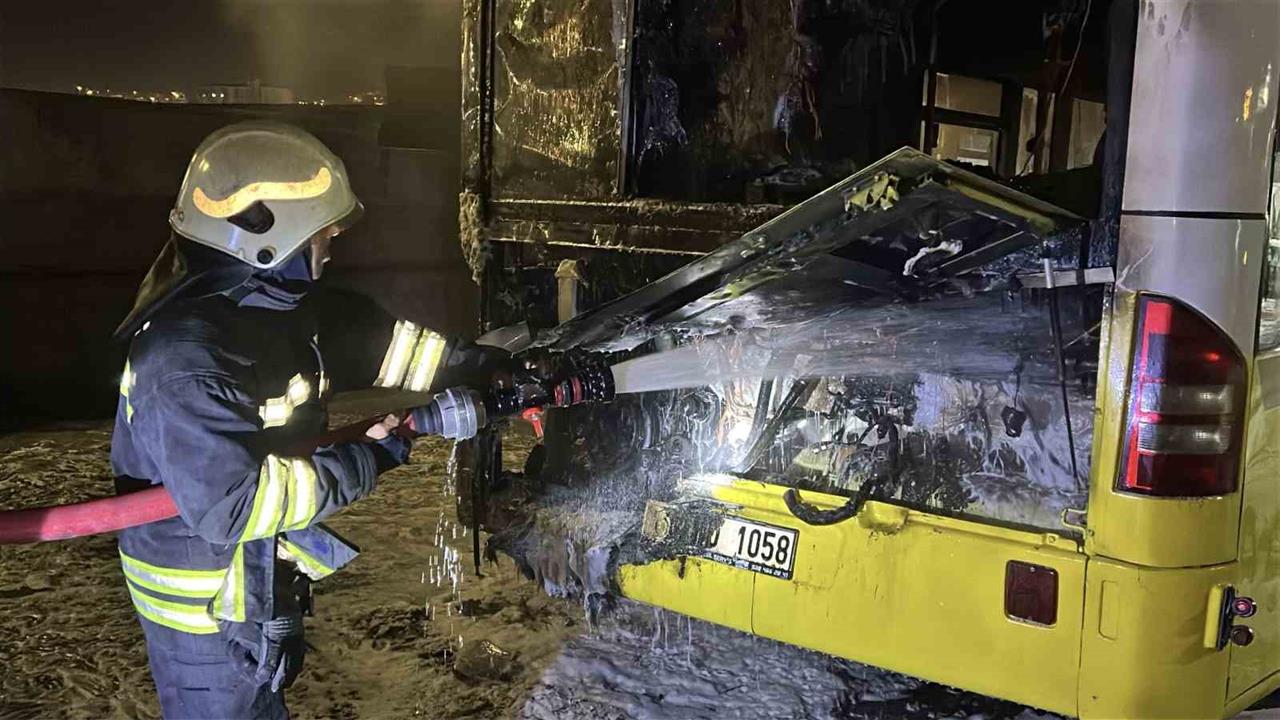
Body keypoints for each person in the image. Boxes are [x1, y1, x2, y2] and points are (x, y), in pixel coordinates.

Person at [110, 121, 493, 719]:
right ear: (270, 238)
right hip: (204, 615)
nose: (333, 244)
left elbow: (377, 343)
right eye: (324, 232)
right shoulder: (185, 360)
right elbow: (234, 507)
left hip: (252, 581)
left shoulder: (273, 313)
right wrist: (370, 458)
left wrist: (476, 366)